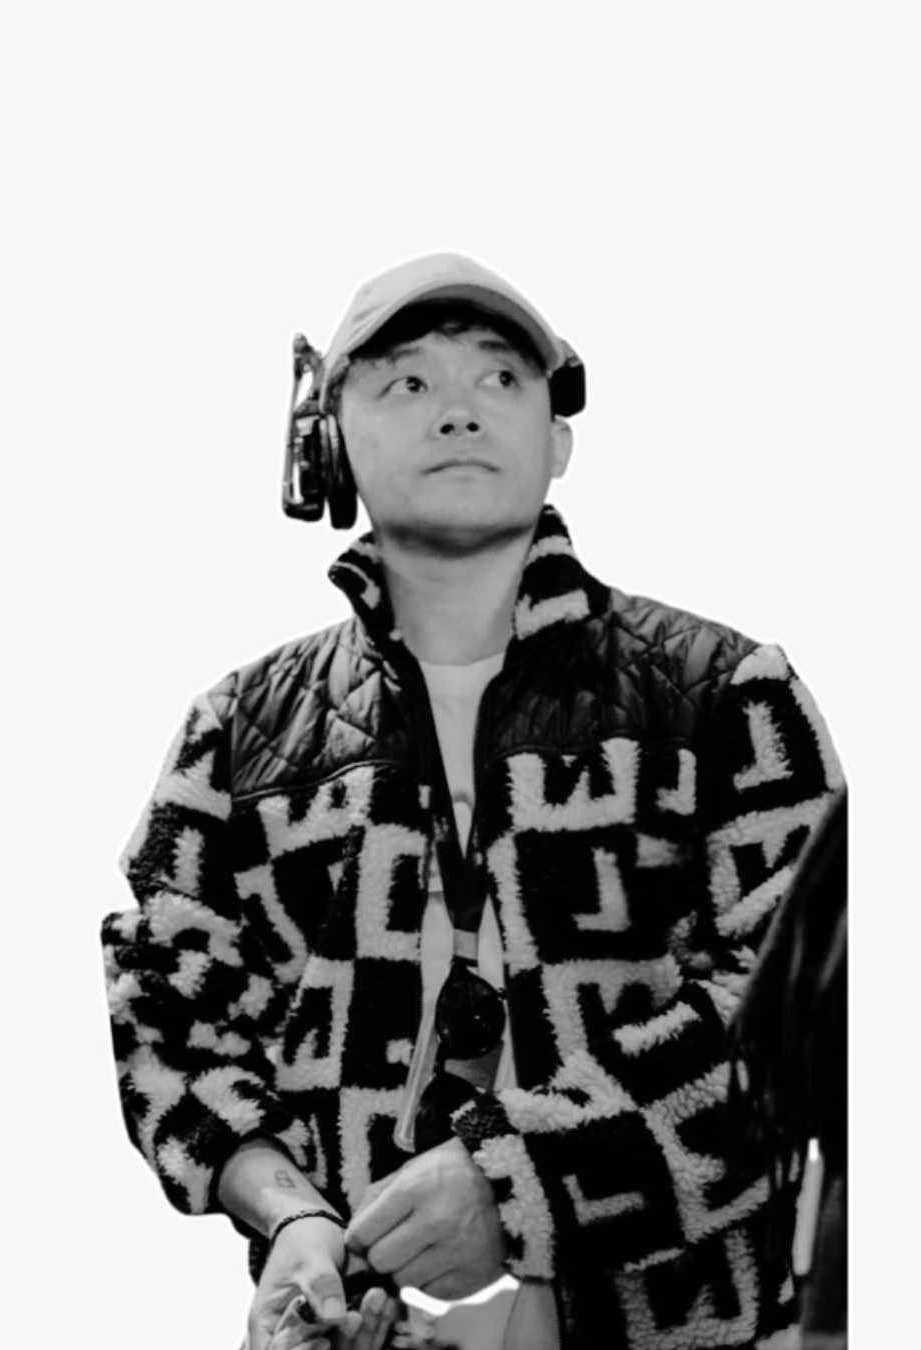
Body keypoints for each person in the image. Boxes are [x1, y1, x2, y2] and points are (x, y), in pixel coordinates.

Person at [101, 252, 845, 1350]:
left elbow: (808, 1021)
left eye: (500, 378)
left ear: (558, 439)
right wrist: (290, 1215)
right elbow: (168, 1022)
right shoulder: (236, 732)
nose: (458, 410)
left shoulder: (728, 696)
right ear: (326, 440)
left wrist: (527, 1178)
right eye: (407, 382)